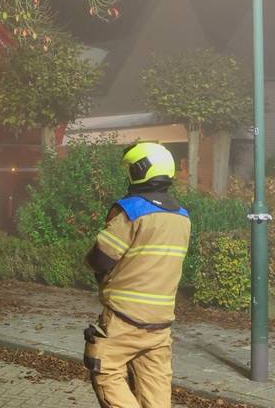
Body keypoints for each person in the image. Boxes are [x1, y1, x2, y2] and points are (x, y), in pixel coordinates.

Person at [82, 141, 191, 408]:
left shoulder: (131, 211)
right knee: (156, 391)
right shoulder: (182, 217)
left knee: (104, 368)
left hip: (124, 318)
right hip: (160, 324)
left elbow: (100, 258)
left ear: (140, 170)